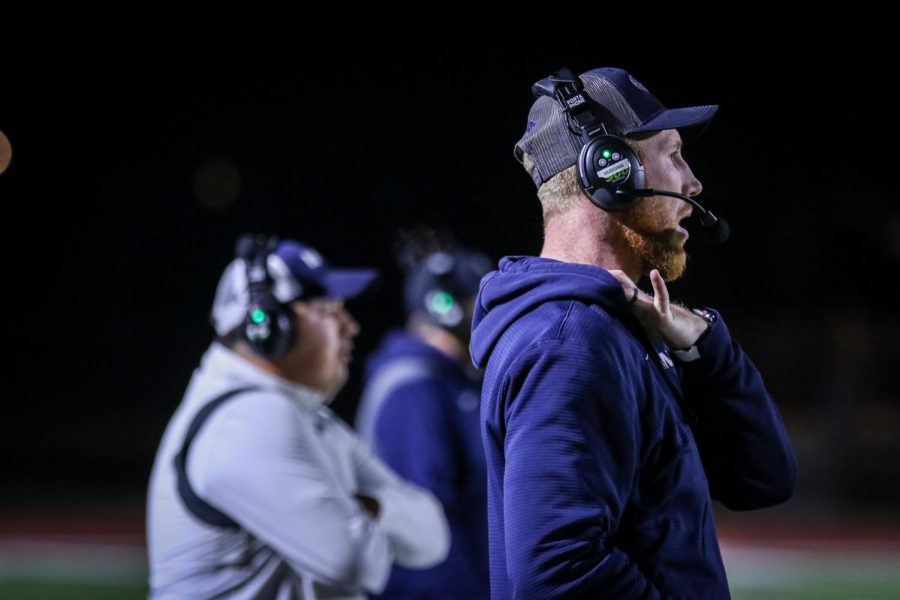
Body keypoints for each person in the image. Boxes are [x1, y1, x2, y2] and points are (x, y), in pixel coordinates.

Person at [469, 67, 797, 599]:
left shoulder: (616, 330)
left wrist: (706, 351)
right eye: (672, 154)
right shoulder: (570, 342)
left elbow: (763, 479)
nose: (693, 183)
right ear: (612, 169)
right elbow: (558, 571)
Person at [147, 234, 450, 599]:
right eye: (328, 310)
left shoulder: (301, 414)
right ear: (268, 327)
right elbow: (352, 560)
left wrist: (364, 506)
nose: (349, 326)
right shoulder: (246, 419)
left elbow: (432, 536)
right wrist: (365, 510)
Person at [356, 231, 493, 599]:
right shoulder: (413, 392)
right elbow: (431, 529)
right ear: (446, 308)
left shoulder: (448, 383)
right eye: (480, 303)